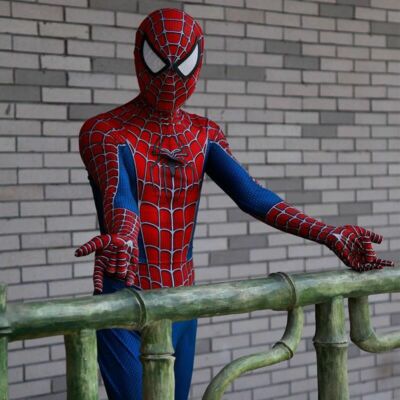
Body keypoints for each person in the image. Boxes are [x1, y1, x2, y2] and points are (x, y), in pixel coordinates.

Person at [74, 8, 393, 400]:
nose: (171, 78)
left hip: (183, 299)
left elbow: (252, 195)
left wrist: (330, 234)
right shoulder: (104, 131)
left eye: (182, 65)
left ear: (198, 63)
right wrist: (123, 237)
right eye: (160, 63)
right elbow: (119, 195)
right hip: (123, 296)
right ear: (140, 56)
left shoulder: (203, 134)